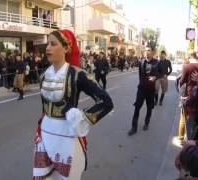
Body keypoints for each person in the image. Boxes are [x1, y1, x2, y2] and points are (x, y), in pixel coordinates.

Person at [33, 30, 113, 179]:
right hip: (44, 135)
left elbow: (106, 102)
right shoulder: (44, 75)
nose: (47, 48)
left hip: (66, 136)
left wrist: (81, 117)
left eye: (53, 44)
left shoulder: (77, 74)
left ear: (66, 48)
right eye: (47, 44)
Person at [128, 46, 159, 136]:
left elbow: (160, 72)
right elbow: (132, 62)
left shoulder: (157, 62)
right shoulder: (141, 62)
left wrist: (155, 77)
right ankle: (134, 127)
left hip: (150, 90)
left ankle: (146, 123)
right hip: (141, 89)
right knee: (137, 107)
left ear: (152, 52)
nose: (146, 52)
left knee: (149, 107)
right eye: (145, 50)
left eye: (148, 50)